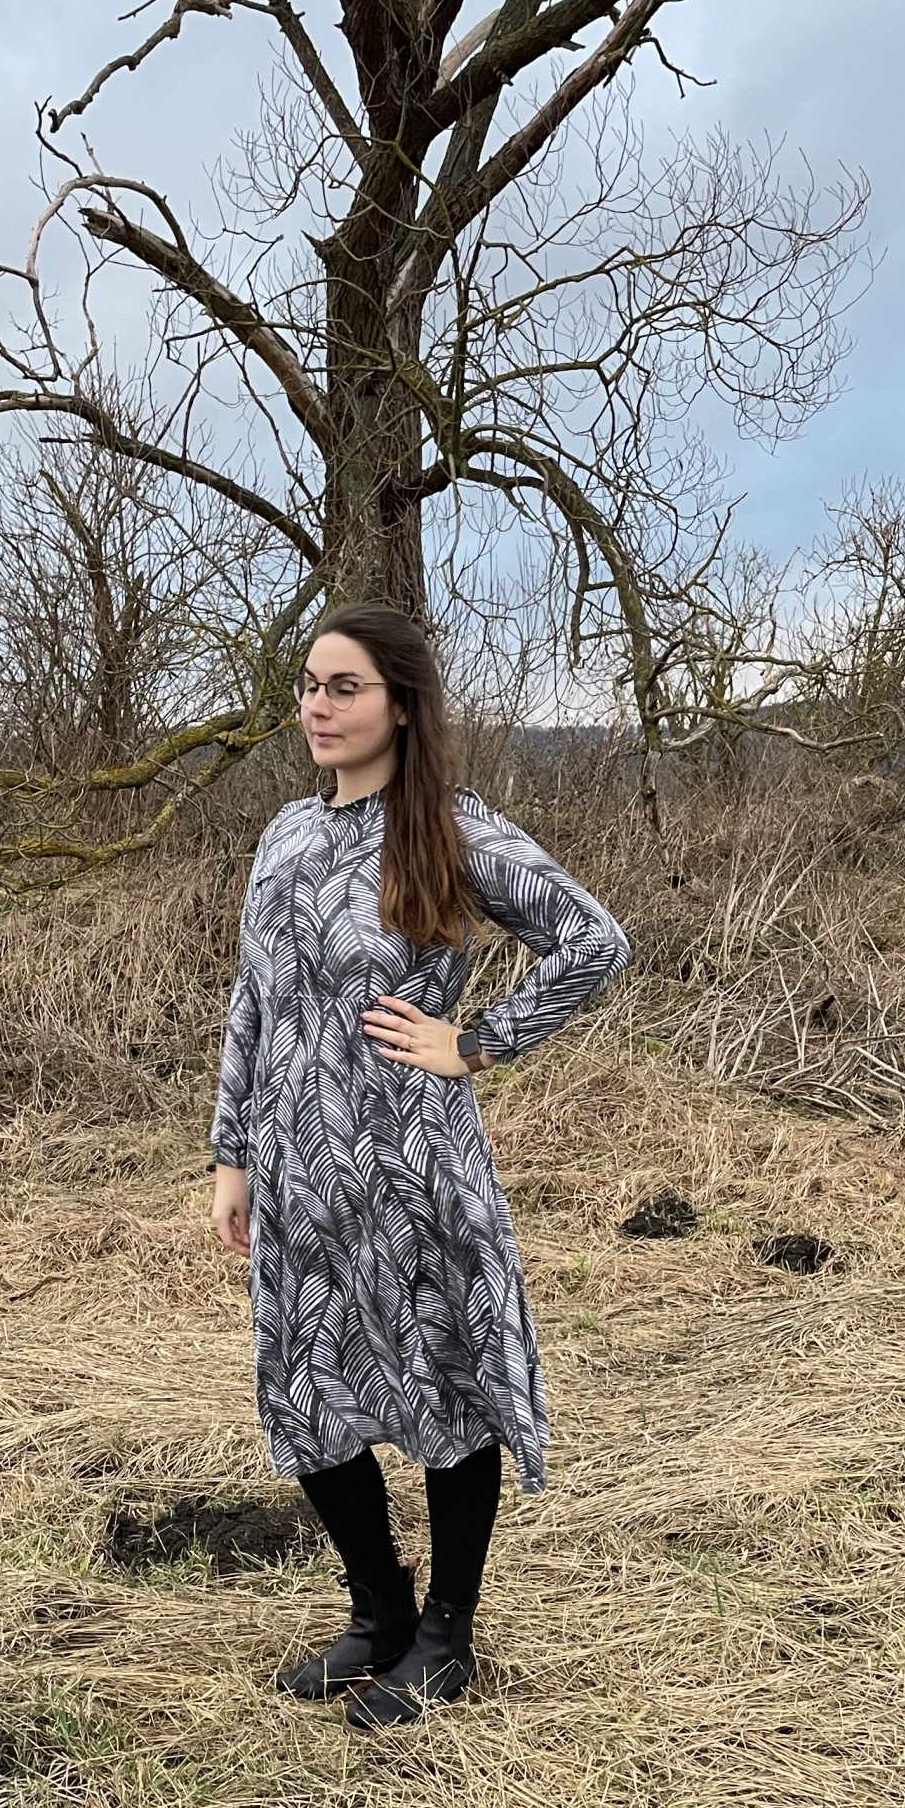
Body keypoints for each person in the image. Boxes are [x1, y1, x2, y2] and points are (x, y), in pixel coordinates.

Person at [207, 604, 631, 1730]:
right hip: (297, 1173)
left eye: (344, 686)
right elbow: (254, 1000)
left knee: (441, 1384)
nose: (318, 706)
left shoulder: (447, 828)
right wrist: (232, 1152)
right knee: (305, 1387)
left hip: (411, 1171)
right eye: (309, 684)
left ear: (400, 703)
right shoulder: (285, 836)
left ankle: (446, 1634)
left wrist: (476, 1042)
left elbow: (594, 940)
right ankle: (378, 1611)